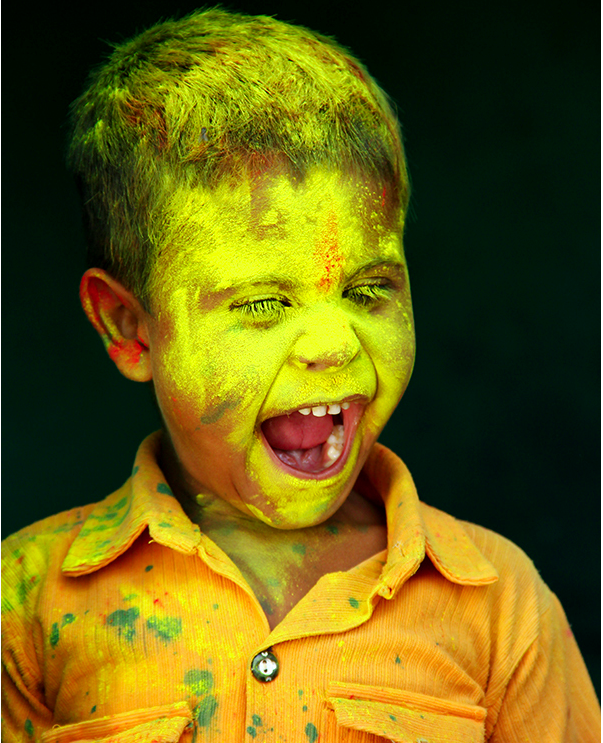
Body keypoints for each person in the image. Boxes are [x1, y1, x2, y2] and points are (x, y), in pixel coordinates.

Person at [1, 7, 599, 742]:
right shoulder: (28, 602)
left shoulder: (499, 603)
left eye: (367, 290)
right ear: (129, 327)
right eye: (262, 303)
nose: (334, 344)